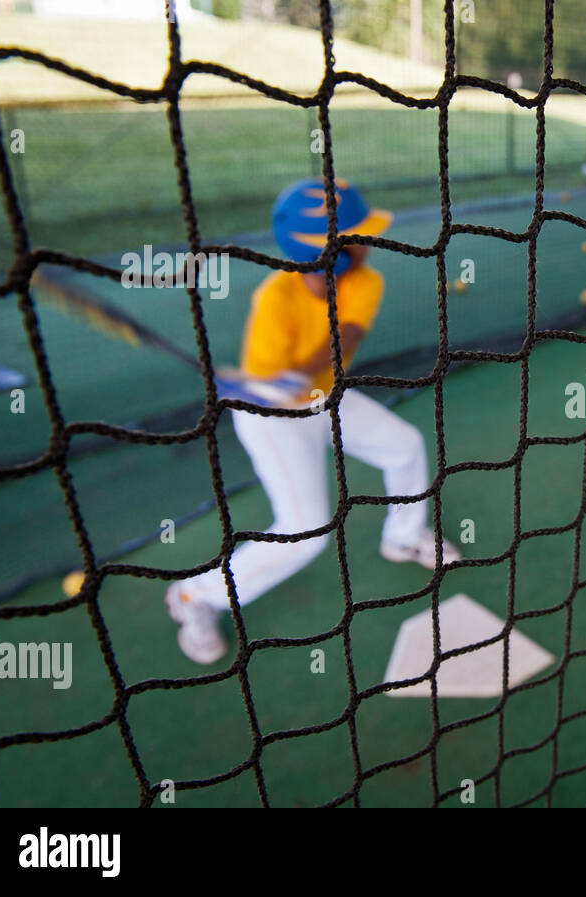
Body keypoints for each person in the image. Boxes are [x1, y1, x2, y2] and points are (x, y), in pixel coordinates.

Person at [165, 177, 459, 664]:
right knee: (306, 532)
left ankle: (403, 536)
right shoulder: (274, 300)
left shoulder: (365, 281)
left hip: (323, 396)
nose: (372, 244)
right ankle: (194, 596)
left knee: (403, 444)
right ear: (331, 254)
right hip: (271, 418)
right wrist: (273, 383)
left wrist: (295, 374)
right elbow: (272, 395)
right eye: (359, 238)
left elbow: (346, 338)